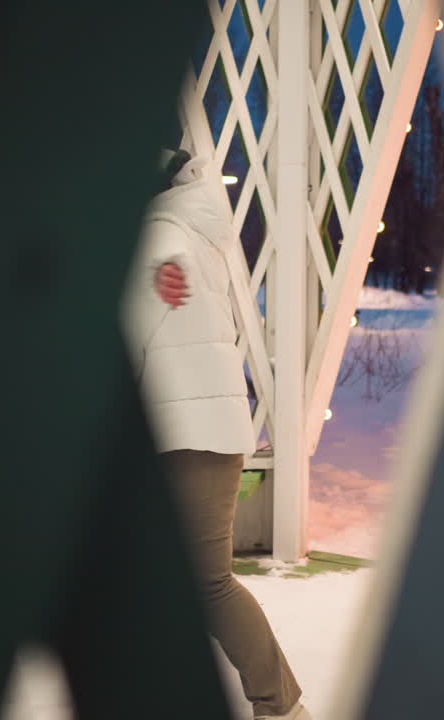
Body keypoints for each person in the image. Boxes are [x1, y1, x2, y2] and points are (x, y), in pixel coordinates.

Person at [122, 148, 310, 720]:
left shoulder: (160, 239)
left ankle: (280, 705)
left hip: (189, 436)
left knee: (205, 584)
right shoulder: (184, 233)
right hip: (198, 431)